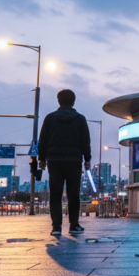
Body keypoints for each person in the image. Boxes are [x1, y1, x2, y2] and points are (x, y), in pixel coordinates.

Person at [38, 89, 91, 235]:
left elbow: (43, 140)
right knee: (73, 193)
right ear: (73, 101)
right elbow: (85, 141)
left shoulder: (50, 118)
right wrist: (87, 159)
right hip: (74, 160)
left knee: (55, 193)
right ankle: (74, 225)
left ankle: (56, 227)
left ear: (58, 100)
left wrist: (41, 159)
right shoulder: (80, 119)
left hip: (54, 160)